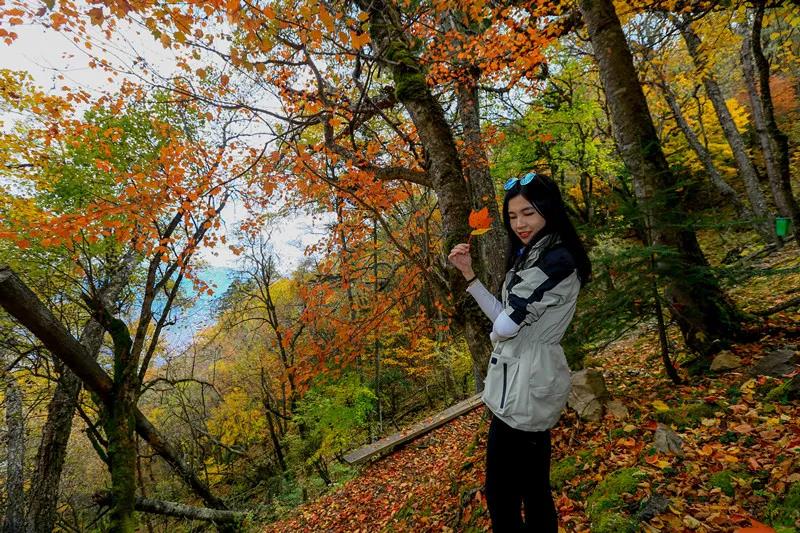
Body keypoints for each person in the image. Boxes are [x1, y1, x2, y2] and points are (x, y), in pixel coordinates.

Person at [448, 172, 591, 532]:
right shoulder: (532, 256)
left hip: (528, 385)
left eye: (527, 212)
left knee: (505, 495)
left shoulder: (557, 260)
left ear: (548, 209)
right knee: (529, 490)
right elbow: (504, 318)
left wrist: (502, 329)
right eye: (512, 217)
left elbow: (506, 327)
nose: (520, 224)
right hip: (518, 385)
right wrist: (469, 275)